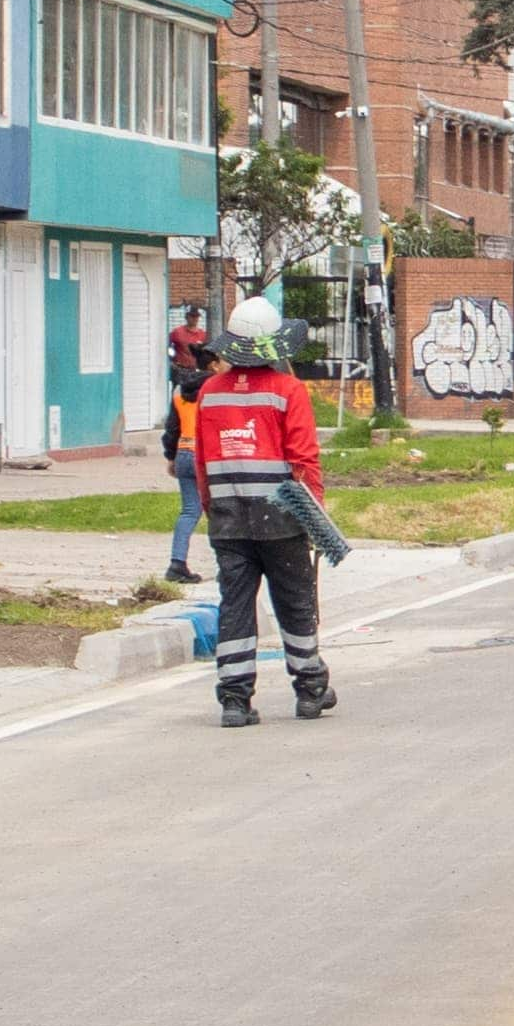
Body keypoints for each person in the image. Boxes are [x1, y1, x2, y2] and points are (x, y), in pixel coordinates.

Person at [185, 295, 339, 727]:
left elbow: (201, 462)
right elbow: (305, 462)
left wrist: (210, 509)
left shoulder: (210, 392)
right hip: (282, 520)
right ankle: (310, 689)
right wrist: (317, 520)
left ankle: (235, 699)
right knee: (294, 602)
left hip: (228, 519)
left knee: (234, 604)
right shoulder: (288, 391)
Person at [159, 300, 219, 582]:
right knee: (219, 511)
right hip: (206, 456)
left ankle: (176, 563)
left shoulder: (180, 390)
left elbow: (172, 426)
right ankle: (227, 566)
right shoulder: (216, 390)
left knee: (189, 511)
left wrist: (170, 457)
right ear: (214, 364)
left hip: (183, 453)